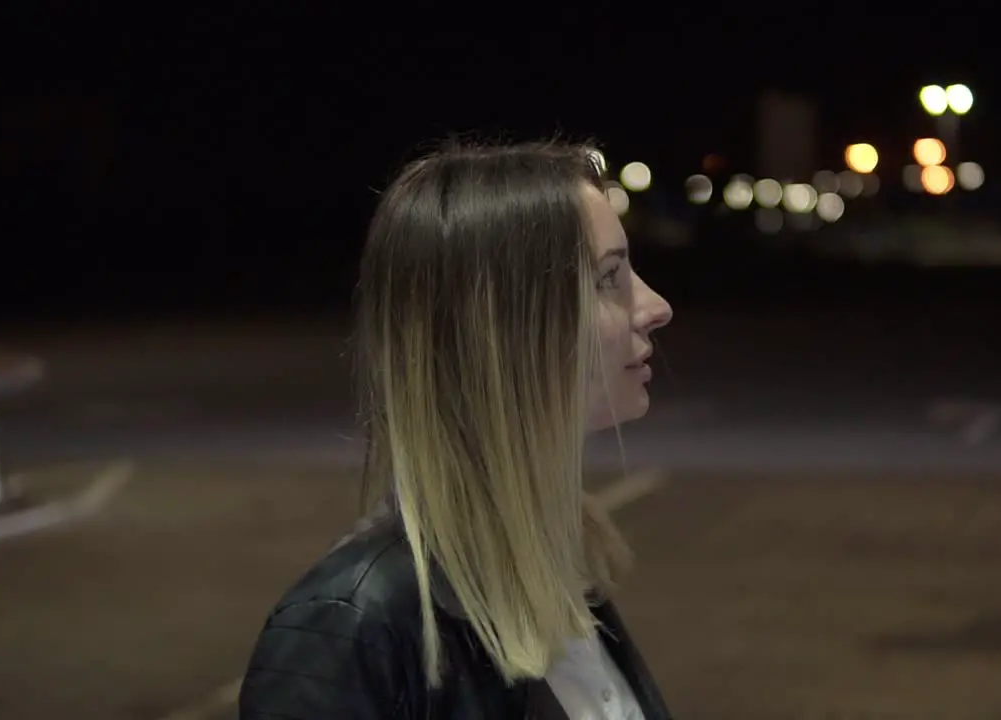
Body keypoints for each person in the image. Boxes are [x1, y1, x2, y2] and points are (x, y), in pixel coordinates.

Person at [238, 139, 674, 719]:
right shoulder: (350, 625)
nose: (655, 305)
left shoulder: (559, 567)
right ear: (500, 329)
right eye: (607, 278)